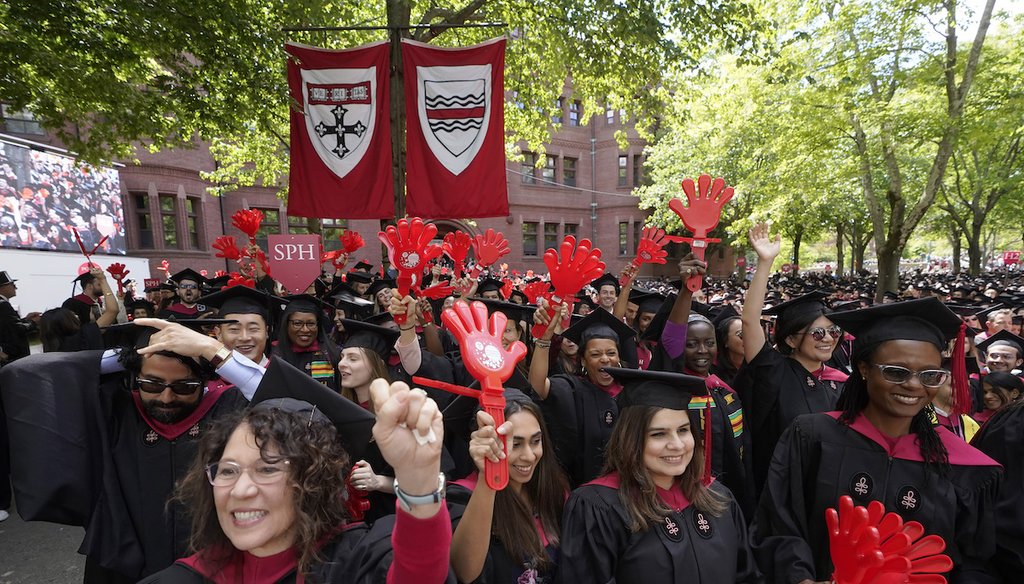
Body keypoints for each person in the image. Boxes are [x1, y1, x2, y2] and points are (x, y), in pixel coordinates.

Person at [0, 317, 374, 582]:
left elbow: (314, 416)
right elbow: (26, 374)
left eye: (182, 387)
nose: (164, 396)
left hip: (216, 565)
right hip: (121, 565)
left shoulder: (231, 409)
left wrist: (215, 352)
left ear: (206, 380)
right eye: (151, 382)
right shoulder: (117, 410)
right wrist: (130, 352)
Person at [750, 298, 1002, 584]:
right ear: (864, 368)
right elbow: (779, 526)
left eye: (930, 375)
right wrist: (799, 579)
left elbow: (975, 561)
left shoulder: (959, 464)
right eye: (896, 372)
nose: (913, 385)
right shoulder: (813, 437)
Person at [139, 380, 453, 583]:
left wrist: (418, 479)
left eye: (267, 469)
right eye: (228, 470)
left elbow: (418, 573)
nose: (240, 489)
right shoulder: (185, 578)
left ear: (312, 483)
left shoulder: (355, 564)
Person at [558, 368, 762, 583]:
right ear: (631, 440)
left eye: (683, 430)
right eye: (658, 434)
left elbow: (746, 576)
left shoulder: (718, 497)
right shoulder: (599, 508)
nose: (677, 445)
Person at [733, 223, 847, 495]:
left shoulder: (841, 382)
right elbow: (749, 321)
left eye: (833, 331)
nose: (829, 338)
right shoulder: (773, 370)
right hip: (777, 488)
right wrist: (765, 262)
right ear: (791, 339)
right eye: (817, 333)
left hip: (828, 487)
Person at [448, 391, 569, 583]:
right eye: (515, 444)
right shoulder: (465, 496)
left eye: (536, 441)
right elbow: (464, 571)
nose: (529, 456)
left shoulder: (551, 491)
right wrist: (488, 476)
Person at [530, 303, 637, 486]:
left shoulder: (632, 393)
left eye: (611, 353)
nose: (605, 359)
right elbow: (537, 386)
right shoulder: (573, 389)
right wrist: (545, 339)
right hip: (582, 490)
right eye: (595, 354)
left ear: (619, 357)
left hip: (629, 490)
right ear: (583, 361)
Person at [274, 295, 340, 390]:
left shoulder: (332, 355)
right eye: (297, 323)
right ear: (286, 324)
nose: (305, 329)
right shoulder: (274, 354)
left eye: (311, 324)